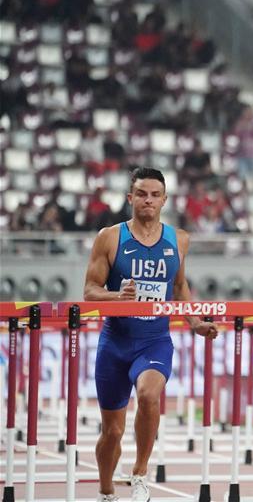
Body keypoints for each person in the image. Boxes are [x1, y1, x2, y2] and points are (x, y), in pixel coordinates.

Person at [84, 168, 218, 502]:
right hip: (115, 343)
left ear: (164, 200)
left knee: (148, 395)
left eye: (155, 195)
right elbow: (89, 291)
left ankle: (140, 473)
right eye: (141, 194)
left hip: (154, 340)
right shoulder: (110, 238)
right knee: (111, 432)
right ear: (130, 198)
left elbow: (178, 287)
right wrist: (118, 297)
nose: (148, 200)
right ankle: (106, 491)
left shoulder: (179, 239)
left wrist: (195, 322)